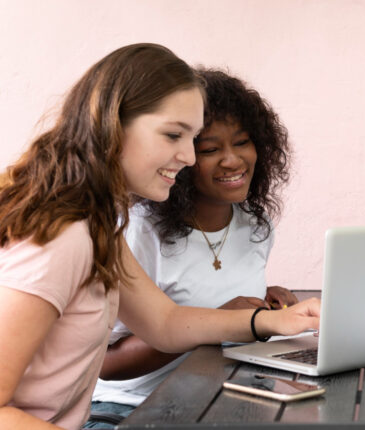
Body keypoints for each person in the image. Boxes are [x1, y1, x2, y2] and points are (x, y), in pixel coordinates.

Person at [0, 43, 319, 430]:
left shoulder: (96, 222)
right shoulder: (62, 236)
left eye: (192, 138)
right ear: (112, 124)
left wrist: (273, 322)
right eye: (173, 135)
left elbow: (164, 323)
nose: (187, 156)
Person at [87, 69, 298, 426]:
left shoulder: (255, 225)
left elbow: (212, 290)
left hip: (219, 395)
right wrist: (226, 320)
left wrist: (268, 300)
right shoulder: (136, 232)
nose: (232, 160)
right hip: (130, 408)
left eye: (243, 142)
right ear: (181, 158)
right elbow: (107, 364)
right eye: (211, 149)